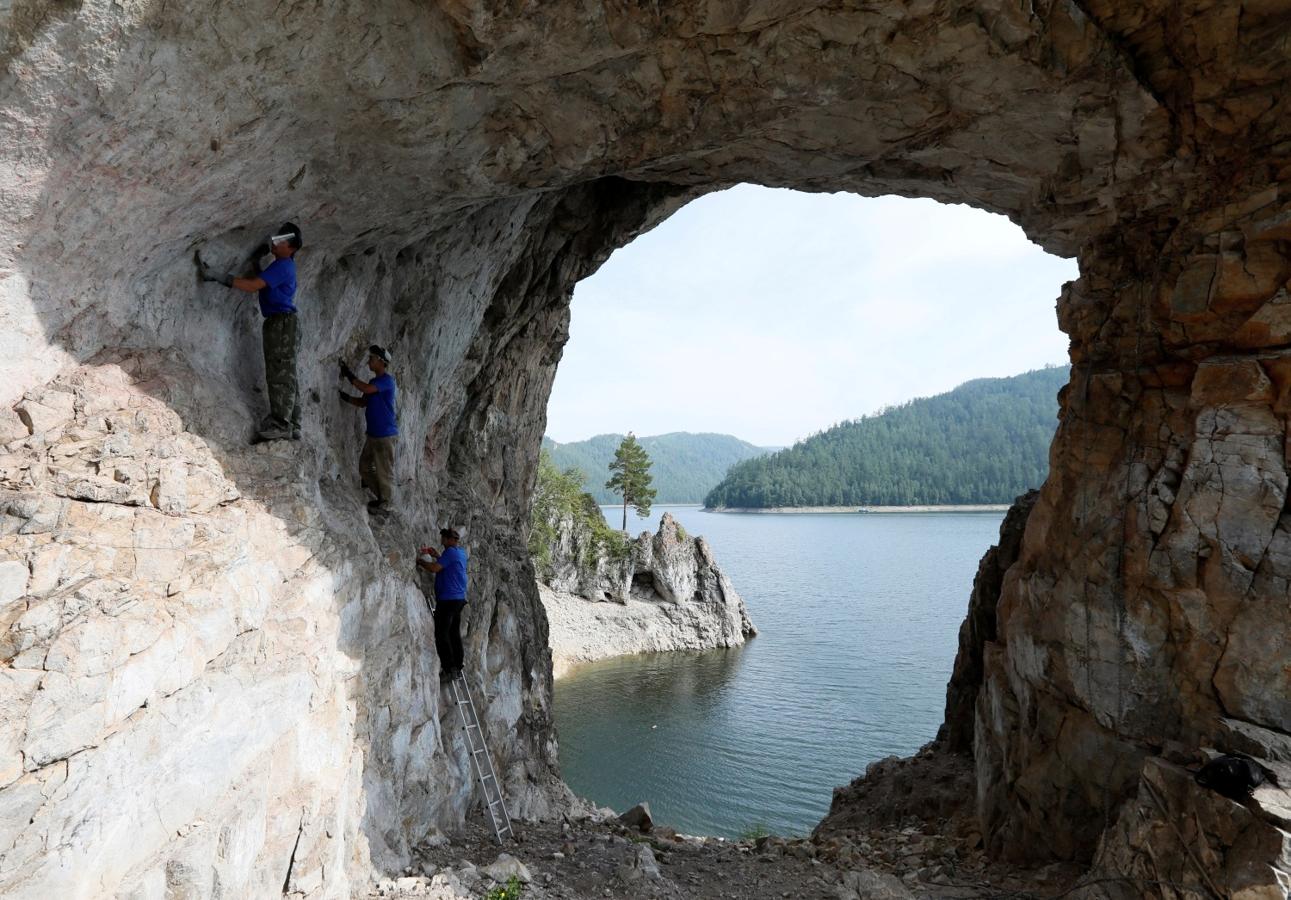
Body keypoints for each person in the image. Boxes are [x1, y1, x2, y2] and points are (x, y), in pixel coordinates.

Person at [196, 223, 303, 442]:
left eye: (281, 240)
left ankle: (281, 425)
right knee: (286, 370)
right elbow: (265, 283)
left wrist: (218, 276)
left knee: (280, 371)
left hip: (281, 323)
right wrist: (256, 262)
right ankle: (293, 423)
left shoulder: (283, 265)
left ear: (291, 247)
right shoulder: (283, 265)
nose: (275, 242)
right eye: (276, 238)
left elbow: (254, 286)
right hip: (283, 322)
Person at [338, 345, 398, 514]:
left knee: (384, 471)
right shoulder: (374, 383)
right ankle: (382, 499)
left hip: (385, 435)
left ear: (381, 361)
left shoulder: (387, 381)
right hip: (373, 434)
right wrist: (344, 396)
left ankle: (387, 504)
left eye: (371, 358)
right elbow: (363, 402)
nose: (368, 361)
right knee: (364, 467)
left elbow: (365, 389)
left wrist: (348, 374)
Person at [417, 528, 468, 682]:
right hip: (458, 599)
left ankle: (449, 669)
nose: (442, 540)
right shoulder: (460, 552)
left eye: (444, 538)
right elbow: (448, 566)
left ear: (450, 540)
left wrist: (420, 561)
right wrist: (437, 556)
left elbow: (434, 568)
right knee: (454, 633)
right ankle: (457, 666)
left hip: (448, 600)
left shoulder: (450, 552)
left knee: (441, 634)